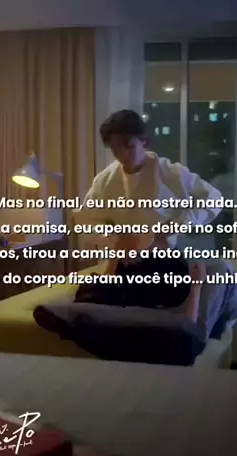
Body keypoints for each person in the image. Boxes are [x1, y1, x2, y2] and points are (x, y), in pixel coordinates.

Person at [77, 109, 223, 323]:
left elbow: (214, 198)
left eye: (129, 146)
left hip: (164, 263)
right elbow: (86, 218)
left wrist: (179, 224)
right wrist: (113, 240)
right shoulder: (105, 181)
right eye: (116, 149)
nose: (123, 154)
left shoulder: (170, 173)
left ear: (143, 141)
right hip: (124, 263)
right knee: (89, 297)